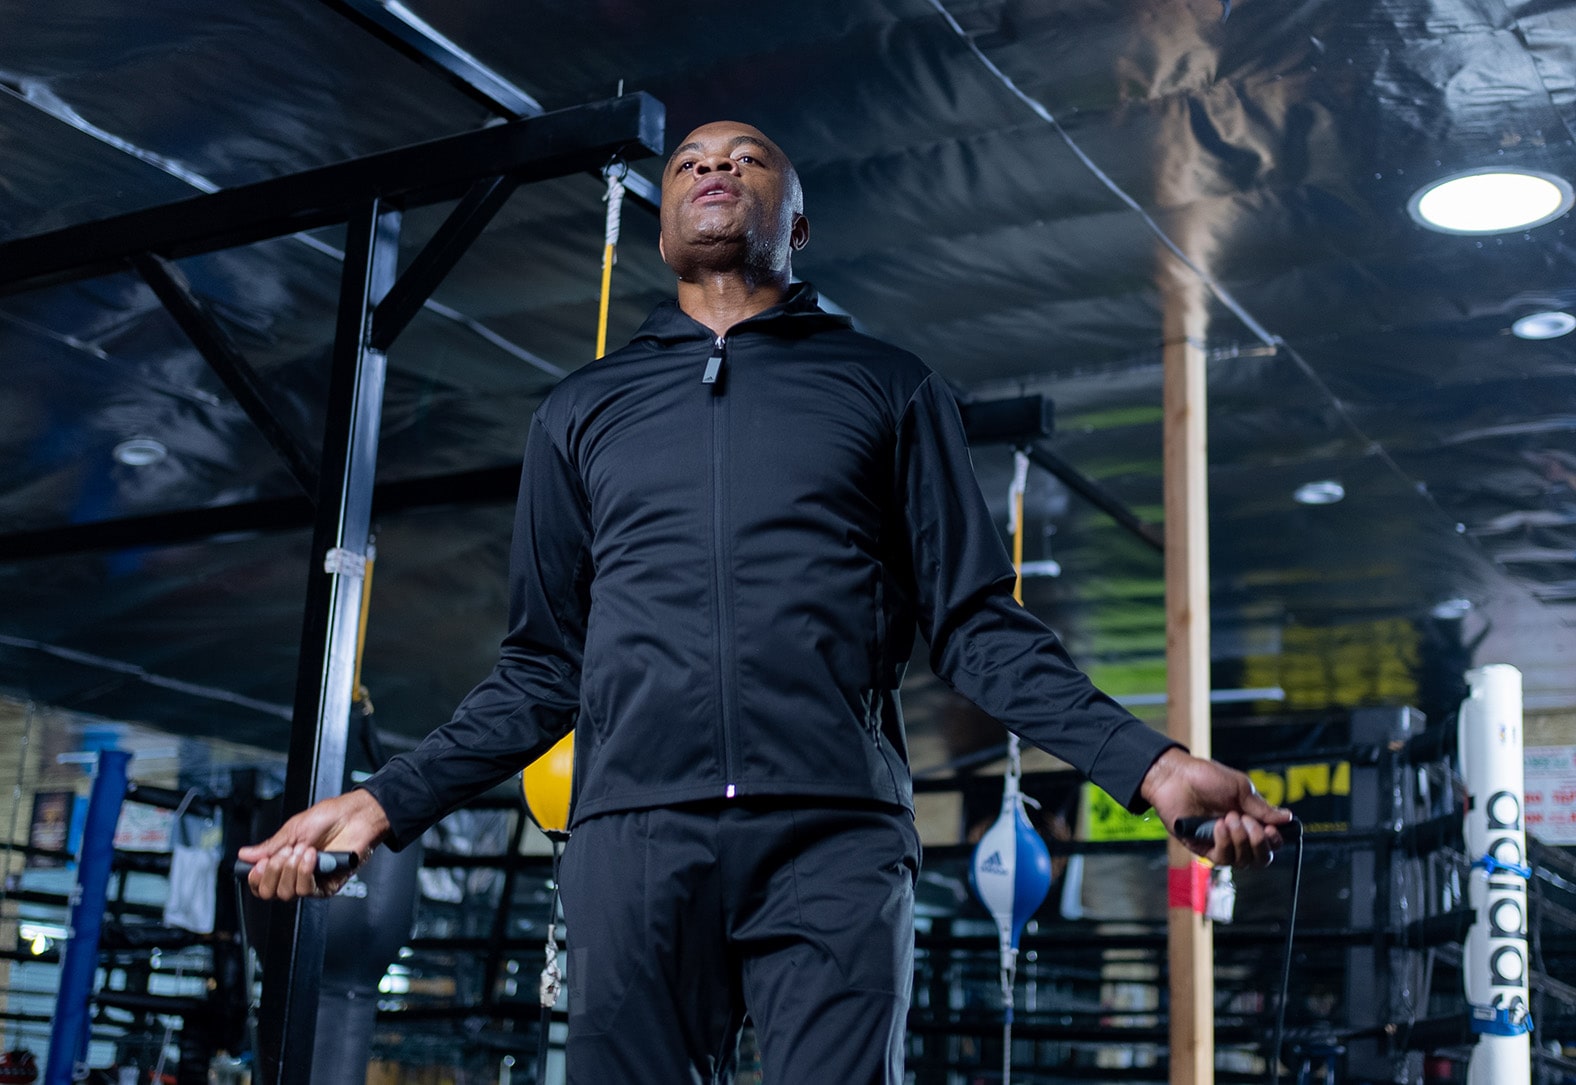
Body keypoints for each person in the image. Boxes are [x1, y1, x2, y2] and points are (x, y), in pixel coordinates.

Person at [242, 120, 1291, 1084]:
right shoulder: (581, 411)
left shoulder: (888, 386)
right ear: (660, 226)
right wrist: (385, 800)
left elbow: (974, 624)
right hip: (634, 841)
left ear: (795, 220)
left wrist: (1147, 764)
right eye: (690, 159)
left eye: (745, 156)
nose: (712, 166)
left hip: (831, 835)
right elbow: (541, 667)